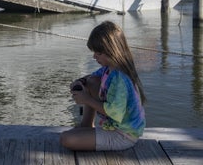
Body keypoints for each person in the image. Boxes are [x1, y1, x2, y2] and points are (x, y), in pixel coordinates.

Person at [60, 21, 147, 151]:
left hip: (123, 136)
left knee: (66, 139)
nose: (94, 56)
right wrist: (80, 82)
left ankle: (89, 132)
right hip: (113, 125)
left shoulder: (121, 79)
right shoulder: (109, 68)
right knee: (92, 81)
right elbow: (91, 77)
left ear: (113, 52)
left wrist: (86, 99)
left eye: (98, 53)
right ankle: (87, 126)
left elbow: (115, 113)